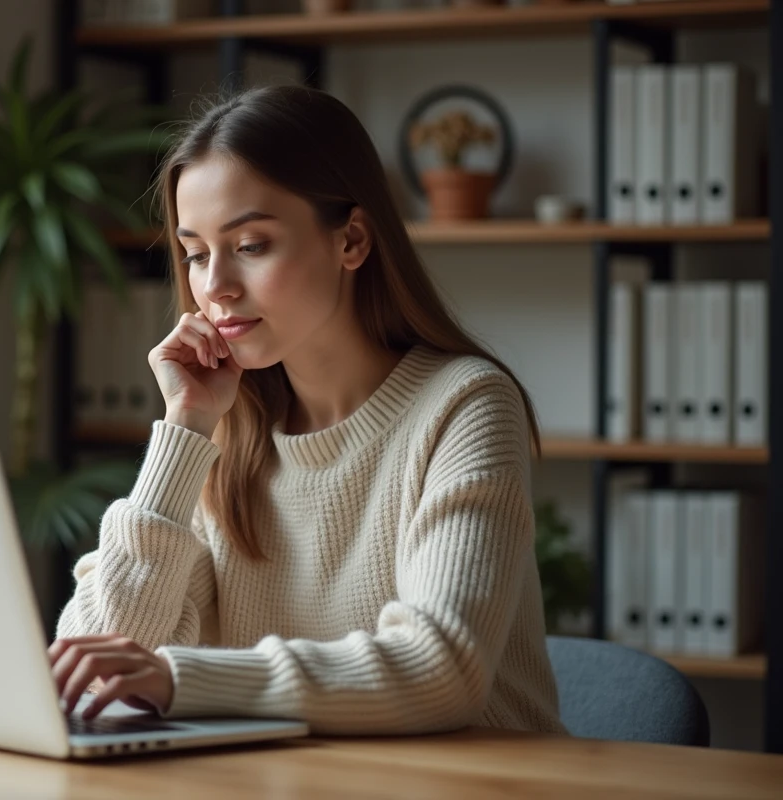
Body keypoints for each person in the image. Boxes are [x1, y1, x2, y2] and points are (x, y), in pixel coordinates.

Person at [48, 84, 567, 737]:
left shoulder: (464, 404)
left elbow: (441, 668)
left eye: (251, 245)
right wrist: (184, 430)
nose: (216, 288)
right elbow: (97, 665)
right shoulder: (225, 433)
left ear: (350, 240)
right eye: (196, 253)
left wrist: (183, 681)